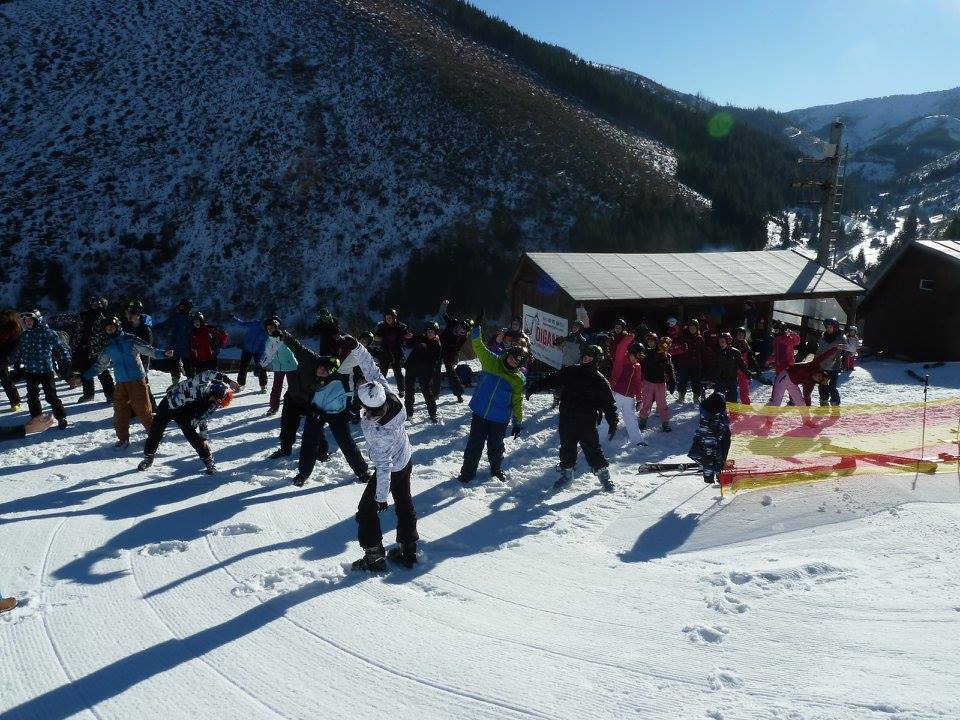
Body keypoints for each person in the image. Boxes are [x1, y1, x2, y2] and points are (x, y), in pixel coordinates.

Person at [348, 339, 419, 571]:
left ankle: (375, 559)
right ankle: (408, 550)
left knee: (366, 511)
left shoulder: (378, 432)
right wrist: (356, 347)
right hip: (405, 458)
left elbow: (384, 467)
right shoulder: (388, 395)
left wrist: (380, 498)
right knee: (404, 503)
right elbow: (372, 369)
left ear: (368, 407)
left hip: (393, 467)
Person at [527, 344, 618, 491]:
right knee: (567, 448)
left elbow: (609, 404)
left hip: (587, 422)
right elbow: (552, 379)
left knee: (593, 450)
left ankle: (604, 478)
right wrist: (535, 386)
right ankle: (567, 476)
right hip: (567, 419)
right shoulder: (572, 371)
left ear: (597, 361)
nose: (586, 360)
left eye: (590, 358)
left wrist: (613, 421)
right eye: (585, 357)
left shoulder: (600, 381)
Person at [457, 313, 526, 484]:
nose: (512, 361)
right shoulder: (492, 361)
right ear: (508, 354)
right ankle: (467, 473)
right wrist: (476, 328)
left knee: (496, 447)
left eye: (516, 361)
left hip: (499, 419)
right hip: (480, 412)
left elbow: (517, 402)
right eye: (512, 357)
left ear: (519, 364)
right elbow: (478, 345)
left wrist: (517, 422)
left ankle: (496, 471)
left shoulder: (518, 380)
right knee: (474, 445)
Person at [83, 317, 173, 448]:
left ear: (118, 326)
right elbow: (100, 365)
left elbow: (149, 350)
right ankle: (123, 439)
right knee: (120, 411)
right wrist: (85, 376)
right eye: (107, 329)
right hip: (120, 382)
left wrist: (163, 353)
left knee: (143, 410)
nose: (110, 330)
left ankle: (155, 435)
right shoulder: (108, 346)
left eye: (112, 327)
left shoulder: (130, 339)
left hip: (137, 380)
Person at [291, 352, 371, 487]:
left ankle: (362, 472)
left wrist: (352, 411)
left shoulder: (343, 376)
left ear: (332, 370)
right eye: (320, 368)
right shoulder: (312, 378)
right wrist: (311, 411)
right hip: (316, 413)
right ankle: (303, 474)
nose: (321, 370)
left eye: (325, 369)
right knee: (309, 442)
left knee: (346, 443)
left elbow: (359, 396)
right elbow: (305, 398)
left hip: (337, 414)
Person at [138, 371, 240, 474]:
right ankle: (148, 458)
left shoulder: (212, 404)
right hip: (168, 404)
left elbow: (202, 418)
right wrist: (229, 381)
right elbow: (209, 374)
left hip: (183, 411)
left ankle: (209, 461)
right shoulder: (200, 384)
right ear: (215, 395)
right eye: (219, 402)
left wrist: (204, 438)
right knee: (156, 431)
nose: (218, 405)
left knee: (192, 435)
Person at [268, 328, 343, 459]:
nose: (322, 372)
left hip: (310, 402)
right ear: (321, 363)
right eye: (323, 368)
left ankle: (322, 454)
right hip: (293, 396)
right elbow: (296, 345)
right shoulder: (309, 358)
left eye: (326, 373)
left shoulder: (329, 380)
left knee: (316, 429)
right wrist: (283, 334)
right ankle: (285, 449)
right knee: (287, 425)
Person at [12, 311, 75, 428]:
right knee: (32, 397)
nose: (28, 322)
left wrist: (66, 358)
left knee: (51, 396)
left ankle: (61, 417)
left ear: (37, 320)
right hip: (30, 371)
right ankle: (37, 418)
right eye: (26, 321)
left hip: (46, 370)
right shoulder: (25, 335)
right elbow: (21, 350)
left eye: (30, 320)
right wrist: (17, 362)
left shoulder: (47, 333)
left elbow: (61, 346)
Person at [49, 296, 114, 403]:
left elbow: (110, 334)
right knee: (85, 372)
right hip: (82, 350)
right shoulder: (84, 315)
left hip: (97, 351)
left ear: (101, 306)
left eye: (96, 304)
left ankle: (111, 394)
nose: (93, 306)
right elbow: (69, 317)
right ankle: (88, 394)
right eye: (92, 304)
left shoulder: (104, 321)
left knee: (103, 373)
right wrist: (55, 318)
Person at [765, 320, 812, 425]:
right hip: (782, 373)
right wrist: (770, 360)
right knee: (777, 399)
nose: (775, 332)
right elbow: (777, 355)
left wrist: (794, 334)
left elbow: (797, 341)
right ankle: (770, 420)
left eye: (776, 330)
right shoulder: (776, 340)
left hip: (789, 372)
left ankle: (806, 419)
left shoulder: (787, 339)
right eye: (774, 330)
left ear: (781, 330)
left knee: (797, 399)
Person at [688, 391, 731, 485]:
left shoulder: (707, 415)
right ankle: (719, 475)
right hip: (716, 443)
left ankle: (717, 474)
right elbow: (713, 452)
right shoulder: (716, 420)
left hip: (711, 442)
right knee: (714, 455)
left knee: (711, 455)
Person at [403, 322, 442, 422]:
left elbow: (435, 361)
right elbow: (409, 342)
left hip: (425, 370)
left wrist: (431, 373)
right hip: (411, 366)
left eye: (432, 331)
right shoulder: (421, 338)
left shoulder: (437, 344)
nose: (429, 333)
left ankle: (433, 414)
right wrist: (408, 338)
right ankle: (409, 413)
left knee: (426, 391)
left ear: (435, 332)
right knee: (409, 391)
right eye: (428, 331)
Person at [260, 317, 297, 416]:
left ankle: (298, 407)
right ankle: (273, 407)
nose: (269, 330)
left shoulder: (285, 337)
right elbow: (269, 355)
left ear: (276, 327)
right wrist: (261, 365)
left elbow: (296, 348)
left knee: (294, 388)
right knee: (276, 388)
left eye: (271, 328)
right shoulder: (269, 341)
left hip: (291, 366)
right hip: (278, 366)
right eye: (268, 329)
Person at [436, 300, 472, 402]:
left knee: (451, 372)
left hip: (450, 353)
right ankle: (435, 393)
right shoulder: (453, 323)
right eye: (461, 327)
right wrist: (444, 306)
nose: (461, 330)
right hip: (439, 347)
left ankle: (458, 394)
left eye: (464, 330)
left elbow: (457, 349)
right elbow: (443, 315)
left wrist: (453, 359)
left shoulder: (463, 338)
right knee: (436, 370)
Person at [609, 341, 644, 446]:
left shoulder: (637, 366)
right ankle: (597, 441)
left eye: (638, 358)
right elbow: (620, 347)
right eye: (635, 356)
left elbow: (637, 382)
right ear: (630, 353)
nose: (636, 359)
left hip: (629, 397)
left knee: (631, 419)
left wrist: (639, 399)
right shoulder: (621, 360)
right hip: (616, 394)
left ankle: (638, 440)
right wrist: (630, 337)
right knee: (609, 417)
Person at [638, 333, 675, 432]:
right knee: (646, 403)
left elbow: (669, 367)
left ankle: (665, 423)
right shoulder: (643, 353)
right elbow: (638, 366)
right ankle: (642, 420)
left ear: (656, 342)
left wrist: (672, 380)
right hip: (648, 382)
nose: (651, 343)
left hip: (660, 382)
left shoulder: (662, 352)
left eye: (652, 341)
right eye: (649, 341)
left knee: (662, 404)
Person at [152, 299, 194, 381]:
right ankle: (176, 383)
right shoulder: (175, 317)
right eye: (180, 307)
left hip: (187, 347)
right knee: (174, 367)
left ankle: (191, 383)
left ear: (188, 308)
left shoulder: (191, 319)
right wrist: (153, 327)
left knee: (188, 367)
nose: (181, 308)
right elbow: (164, 324)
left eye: (183, 307)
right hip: (175, 347)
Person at [552, 319, 590, 408]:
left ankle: (569, 403)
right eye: (573, 326)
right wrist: (556, 343)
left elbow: (583, 355)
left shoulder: (582, 341)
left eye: (576, 327)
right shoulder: (566, 338)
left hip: (574, 366)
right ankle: (556, 400)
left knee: (572, 386)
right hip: (565, 364)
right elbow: (559, 348)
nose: (574, 328)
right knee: (559, 384)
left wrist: (580, 365)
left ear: (580, 329)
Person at [373, 309, 407, 396]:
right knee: (382, 372)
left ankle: (401, 390)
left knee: (397, 372)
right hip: (385, 351)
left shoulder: (401, 326)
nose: (388, 319)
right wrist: (378, 338)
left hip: (397, 352)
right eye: (387, 318)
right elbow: (376, 337)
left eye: (390, 318)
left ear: (394, 317)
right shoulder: (382, 326)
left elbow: (406, 335)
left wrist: (407, 336)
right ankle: (379, 389)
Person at [232, 314, 269, 393]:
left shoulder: (266, 333)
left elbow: (263, 346)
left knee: (261, 367)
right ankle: (241, 384)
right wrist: (234, 319)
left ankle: (263, 385)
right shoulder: (254, 323)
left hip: (258, 352)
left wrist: (260, 358)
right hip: (247, 348)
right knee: (243, 366)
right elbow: (243, 324)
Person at [816, 318, 847, 408]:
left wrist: (842, 347)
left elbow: (849, 349)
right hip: (823, 366)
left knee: (832, 386)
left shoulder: (841, 338)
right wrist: (815, 361)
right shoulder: (823, 337)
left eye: (830, 327)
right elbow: (819, 351)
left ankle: (835, 402)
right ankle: (823, 400)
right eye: (827, 327)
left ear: (835, 327)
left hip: (834, 366)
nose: (828, 329)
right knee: (823, 385)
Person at [674, 318, 706, 404]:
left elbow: (703, 351)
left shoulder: (699, 338)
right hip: (684, 363)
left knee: (696, 381)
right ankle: (681, 396)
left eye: (694, 328)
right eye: (690, 327)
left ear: (697, 328)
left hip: (696, 363)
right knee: (682, 380)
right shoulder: (683, 337)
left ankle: (696, 396)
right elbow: (676, 345)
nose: (692, 329)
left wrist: (704, 363)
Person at [713, 332, 750, 405]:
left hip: (731, 379)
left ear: (728, 341)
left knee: (732, 399)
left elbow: (742, 365)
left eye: (723, 342)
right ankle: (720, 411)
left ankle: (733, 411)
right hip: (720, 379)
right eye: (720, 342)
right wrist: (711, 376)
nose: (721, 344)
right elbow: (713, 366)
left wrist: (748, 374)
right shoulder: (717, 352)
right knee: (719, 398)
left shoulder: (735, 352)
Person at [187, 312, 227, 376]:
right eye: (194, 322)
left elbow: (224, 336)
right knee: (200, 380)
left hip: (211, 359)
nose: (196, 323)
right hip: (199, 361)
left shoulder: (209, 329)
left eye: (197, 321)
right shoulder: (192, 333)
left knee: (214, 378)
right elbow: (191, 348)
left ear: (201, 321)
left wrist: (218, 346)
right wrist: (192, 359)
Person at [0, 309, 23, 412]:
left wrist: (7, 357)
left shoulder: (15, 331)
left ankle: (15, 402)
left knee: (5, 380)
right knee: (5, 379)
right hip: (4, 355)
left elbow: (14, 347)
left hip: (4, 357)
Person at [732, 326, 756, 404]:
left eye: (742, 335)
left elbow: (750, 357)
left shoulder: (745, 344)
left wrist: (755, 367)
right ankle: (731, 403)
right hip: (733, 369)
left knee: (744, 387)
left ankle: (746, 403)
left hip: (743, 369)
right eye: (739, 334)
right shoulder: (732, 344)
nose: (740, 336)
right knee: (732, 388)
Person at [607, 318, 635, 385]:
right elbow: (609, 346)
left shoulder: (625, 337)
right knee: (612, 376)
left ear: (623, 328)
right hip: (612, 360)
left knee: (619, 377)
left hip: (622, 361)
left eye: (619, 327)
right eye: (616, 327)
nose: (617, 329)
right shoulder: (612, 336)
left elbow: (631, 348)